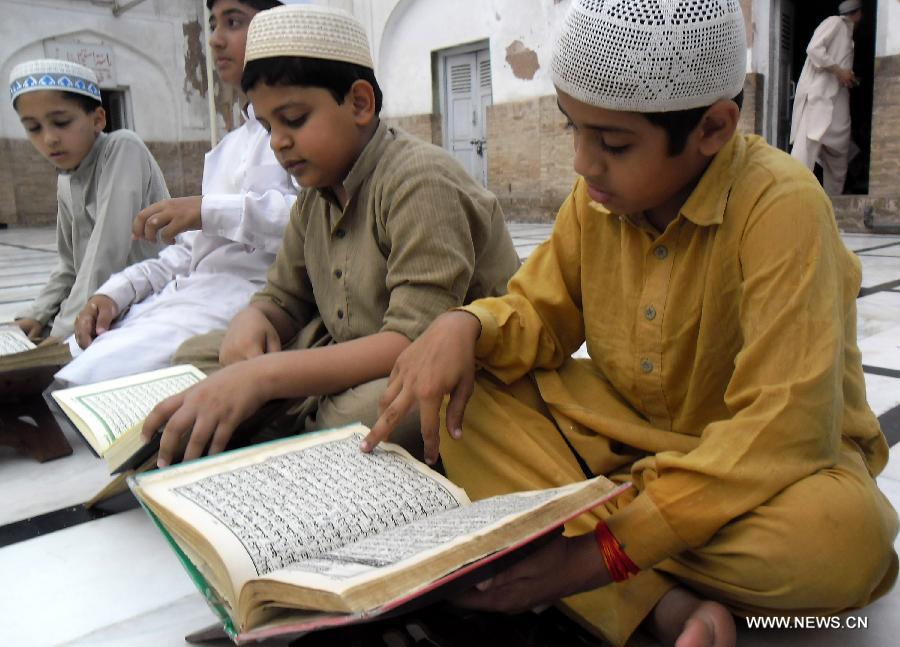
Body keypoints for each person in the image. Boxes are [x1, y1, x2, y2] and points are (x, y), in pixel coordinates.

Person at [365, 1, 899, 646]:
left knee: (840, 543)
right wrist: (468, 325)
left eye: (613, 143)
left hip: (770, 467)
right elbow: (541, 316)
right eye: (575, 132)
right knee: (462, 401)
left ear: (713, 128)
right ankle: (660, 601)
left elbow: (782, 429)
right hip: (620, 439)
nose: (584, 164)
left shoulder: (782, 207)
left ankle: (588, 540)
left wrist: (594, 554)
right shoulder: (598, 201)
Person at [142, 4, 519, 466]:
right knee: (195, 356)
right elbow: (284, 297)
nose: (279, 142)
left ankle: (291, 436)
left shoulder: (419, 180)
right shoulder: (315, 195)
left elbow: (411, 341)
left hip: (438, 368)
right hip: (344, 354)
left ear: (359, 103)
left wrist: (264, 378)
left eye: (294, 120)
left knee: (385, 412)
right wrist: (256, 319)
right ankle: (288, 429)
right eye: (268, 127)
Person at [56, 0, 299, 386]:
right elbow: (189, 254)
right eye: (213, 24)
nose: (216, 40)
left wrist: (208, 210)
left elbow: (315, 218)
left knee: (93, 378)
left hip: (250, 302)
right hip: (186, 295)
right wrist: (114, 293)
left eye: (233, 22)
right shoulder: (227, 148)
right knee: (74, 354)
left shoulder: (303, 137)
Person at [9, 59, 165, 342]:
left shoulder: (122, 148)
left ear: (98, 119)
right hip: (100, 301)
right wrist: (40, 313)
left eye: (61, 122)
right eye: (33, 128)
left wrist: (60, 335)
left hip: (149, 295)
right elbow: (70, 265)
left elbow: (107, 253)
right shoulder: (67, 177)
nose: (49, 138)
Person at [790, 0, 864, 196]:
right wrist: (839, 71)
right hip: (820, 96)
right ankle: (793, 194)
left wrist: (846, 76)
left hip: (837, 97)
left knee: (839, 152)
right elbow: (814, 49)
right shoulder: (834, 23)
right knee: (806, 149)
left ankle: (833, 203)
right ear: (858, 14)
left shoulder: (849, 35)